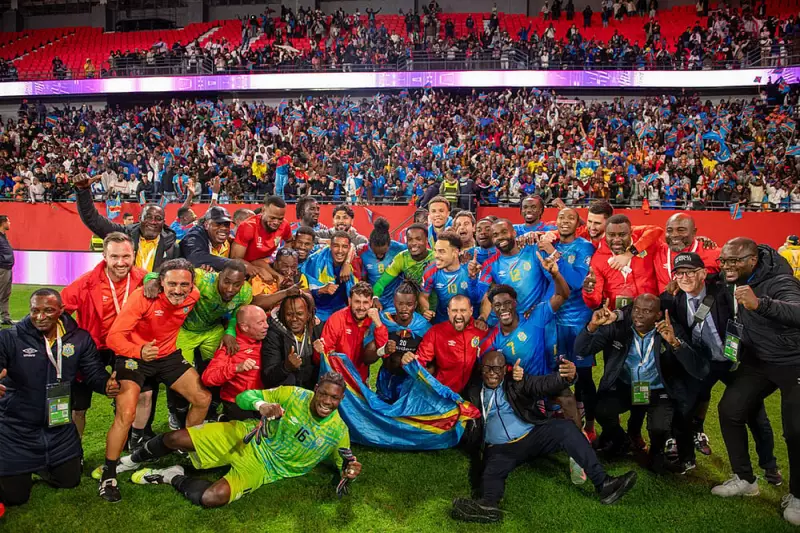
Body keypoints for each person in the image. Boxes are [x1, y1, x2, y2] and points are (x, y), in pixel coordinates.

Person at [118, 373, 360, 507]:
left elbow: (345, 465)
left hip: (265, 467)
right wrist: (261, 405)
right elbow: (244, 397)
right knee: (175, 437)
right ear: (316, 389)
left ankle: (171, 476)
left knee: (212, 498)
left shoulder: (338, 432)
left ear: (341, 399)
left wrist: (350, 471)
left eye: (334, 398)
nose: (327, 401)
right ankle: (129, 461)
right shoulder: (293, 395)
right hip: (248, 436)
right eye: (323, 394)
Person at [452, 351, 637, 523]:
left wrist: (566, 377)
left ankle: (604, 484)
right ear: (481, 368)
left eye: (497, 368)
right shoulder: (473, 390)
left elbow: (542, 384)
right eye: (487, 368)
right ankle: (488, 506)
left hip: (532, 436)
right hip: (499, 449)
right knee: (491, 473)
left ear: (504, 369)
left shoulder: (516, 382)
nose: (492, 373)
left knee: (565, 428)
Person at [99, 258, 211, 502]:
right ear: (161, 282)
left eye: (184, 284)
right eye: (172, 284)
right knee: (126, 413)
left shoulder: (193, 295)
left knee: (202, 398)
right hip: (134, 357)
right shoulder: (142, 297)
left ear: (192, 284)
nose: (178, 290)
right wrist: (139, 351)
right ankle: (108, 473)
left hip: (167, 355)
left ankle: (184, 447)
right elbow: (114, 338)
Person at [661, 252, 780, 479]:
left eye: (690, 272)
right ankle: (686, 458)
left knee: (755, 411)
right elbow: (645, 305)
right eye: (679, 273)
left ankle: (769, 465)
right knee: (684, 408)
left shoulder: (722, 290)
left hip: (735, 361)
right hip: (702, 362)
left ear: (703, 273)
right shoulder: (672, 298)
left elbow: (736, 271)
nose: (684, 278)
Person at [0, 289, 119, 507]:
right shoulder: (10, 338)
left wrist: (106, 385)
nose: (40, 316)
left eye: (48, 310)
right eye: (35, 310)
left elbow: (93, 372)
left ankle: (40, 466)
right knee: (15, 497)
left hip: (58, 427)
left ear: (61, 310)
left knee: (69, 480)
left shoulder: (79, 339)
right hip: (17, 429)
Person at [712, 238, 800, 526]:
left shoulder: (780, 281)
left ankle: (798, 496)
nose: (728, 266)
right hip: (757, 360)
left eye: (734, 260)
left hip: (792, 360)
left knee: (796, 430)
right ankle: (745, 479)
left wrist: (760, 304)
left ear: (753, 260)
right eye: (724, 260)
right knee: (730, 410)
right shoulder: (732, 277)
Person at [575, 294, 708, 473]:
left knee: (659, 428)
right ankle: (622, 441)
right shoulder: (618, 327)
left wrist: (675, 343)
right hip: (626, 386)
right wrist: (592, 326)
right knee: (602, 410)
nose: (638, 315)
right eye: (636, 310)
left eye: (646, 311)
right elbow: (581, 350)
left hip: (658, 390)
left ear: (658, 315)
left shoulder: (671, 329)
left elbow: (700, 369)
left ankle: (656, 452)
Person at [61, 232, 147, 439]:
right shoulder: (86, 282)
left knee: (135, 394)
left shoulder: (145, 280)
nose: (121, 262)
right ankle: (74, 449)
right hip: (93, 347)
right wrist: (75, 337)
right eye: (114, 256)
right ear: (104, 256)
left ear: (134, 255)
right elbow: (59, 310)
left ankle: (133, 440)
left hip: (125, 347)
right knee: (79, 405)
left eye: (126, 256)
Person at [539, 208, 598, 439]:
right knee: (552, 370)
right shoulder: (546, 244)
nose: (565, 221)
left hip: (577, 322)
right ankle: (554, 412)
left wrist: (553, 253)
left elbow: (576, 281)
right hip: (553, 321)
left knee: (583, 375)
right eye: (561, 217)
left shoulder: (584, 247)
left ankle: (589, 425)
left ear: (577, 223)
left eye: (570, 218)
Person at [74, 175, 178, 272]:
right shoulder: (125, 235)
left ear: (163, 222)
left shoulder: (172, 247)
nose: (153, 222)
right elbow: (93, 220)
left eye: (158, 218)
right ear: (140, 219)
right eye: (148, 217)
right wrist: (83, 192)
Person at [474, 219, 552, 327]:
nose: (500, 237)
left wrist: (541, 307)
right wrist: (472, 278)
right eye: (495, 235)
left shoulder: (535, 251)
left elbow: (554, 281)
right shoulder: (489, 264)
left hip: (540, 320)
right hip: (511, 324)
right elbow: (482, 295)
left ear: (514, 233)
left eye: (504, 232)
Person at [363, 281, 431, 403]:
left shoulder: (423, 327)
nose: (404, 309)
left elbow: (431, 364)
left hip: (409, 383)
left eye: (409, 304)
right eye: (400, 304)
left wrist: (415, 364)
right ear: (394, 302)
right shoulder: (383, 321)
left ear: (415, 304)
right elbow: (366, 358)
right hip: (386, 379)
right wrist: (382, 350)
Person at [401, 295, 483, 395]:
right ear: (448, 311)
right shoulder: (436, 332)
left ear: (471, 311)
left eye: (463, 311)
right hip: (443, 391)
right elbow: (421, 361)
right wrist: (409, 361)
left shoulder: (481, 330)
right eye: (454, 311)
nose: (458, 316)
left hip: (473, 391)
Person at [202, 306, 269, 421]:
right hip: (238, 402)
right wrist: (236, 368)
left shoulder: (269, 337)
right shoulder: (230, 347)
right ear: (244, 327)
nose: (266, 325)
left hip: (266, 397)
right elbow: (208, 378)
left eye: (266, 320)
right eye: (260, 323)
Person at [583, 214, 659, 311]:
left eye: (622, 235)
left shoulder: (647, 246)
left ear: (631, 232)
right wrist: (589, 292)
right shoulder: (598, 259)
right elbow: (594, 303)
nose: (617, 240)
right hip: (616, 315)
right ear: (605, 234)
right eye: (611, 235)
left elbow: (657, 230)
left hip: (648, 313)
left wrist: (630, 253)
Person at [314, 281, 387, 382]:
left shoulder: (375, 320)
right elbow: (322, 358)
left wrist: (379, 325)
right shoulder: (337, 319)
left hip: (360, 379)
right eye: (357, 302)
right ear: (349, 301)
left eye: (365, 302)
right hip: (337, 378)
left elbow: (386, 353)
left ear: (371, 303)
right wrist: (318, 352)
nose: (361, 307)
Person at [261, 293, 323, 390]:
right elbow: (268, 378)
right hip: (285, 392)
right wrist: (286, 367)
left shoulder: (317, 329)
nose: (294, 319)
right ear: (282, 315)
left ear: (308, 315)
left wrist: (321, 355)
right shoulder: (273, 335)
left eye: (299, 314)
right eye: (289, 314)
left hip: (312, 389)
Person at [653, 213, 720, 293]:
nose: (674, 235)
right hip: (664, 300)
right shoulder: (657, 250)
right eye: (669, 230)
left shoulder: (712, 252)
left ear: (694, 232)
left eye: (681, 230)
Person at [372, 224, 434, 308]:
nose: (413, 243)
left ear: (426, 240)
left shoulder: (436, 258)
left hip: (435, 306)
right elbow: (381, 282)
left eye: (418, 239)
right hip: (411, 307)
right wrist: (375, 297)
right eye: (410, 239)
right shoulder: (401, 258)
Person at [421, 230, 475, 324]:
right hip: (442, 322)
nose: (436, 256)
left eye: (441, 251)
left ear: (455, 252)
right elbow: (423, 296)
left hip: (469, 322)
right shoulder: (431, 270)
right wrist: (426, 310)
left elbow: (483, 298)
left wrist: (482, 317)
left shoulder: (470, 269)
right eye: (435, 251)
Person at [303, 231, 357, 321]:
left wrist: (347, 263)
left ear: (349, 249)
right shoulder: (315, 260)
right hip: (318, 310)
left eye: (344, 247)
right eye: (336, 246)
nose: (340, 250)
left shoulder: (354, 262)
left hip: (342, 308)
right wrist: (321, 290)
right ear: (330, 246)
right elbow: (304, 291)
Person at [231, 195, 292, 275]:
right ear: (263, 211)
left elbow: (290, 241)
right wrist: (258, 270)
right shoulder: (248, 226)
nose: (276, 222)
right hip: (246, 268)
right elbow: (235, 259)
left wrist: (280, 258)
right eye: (272, 218)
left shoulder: (285, 225)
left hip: (268, 263)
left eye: (280, 219)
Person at [357, 217, 407, 310]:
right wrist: (372, 297)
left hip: (395, 298)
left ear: (389, 244)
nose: (379, 256)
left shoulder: (399, 248)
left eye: (383, 253)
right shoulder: (362, 252)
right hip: (374, 298)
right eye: (376, 253)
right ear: (370, 244)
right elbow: (363, 279)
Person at [180, 206, 236, 271]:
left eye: (226, 224)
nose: (224, 228)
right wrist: (232, 264)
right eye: (218, 224)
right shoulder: (194, 236)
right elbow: (195, 258)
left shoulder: (228, 242)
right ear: (206, 225)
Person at [0, 216, 13, 326]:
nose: (10, 223)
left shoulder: (3, 236)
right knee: (1, 293)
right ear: (3, 223)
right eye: (8, 221)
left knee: (5, 294)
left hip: (7, 268)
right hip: (2, 268)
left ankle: (5, 317)